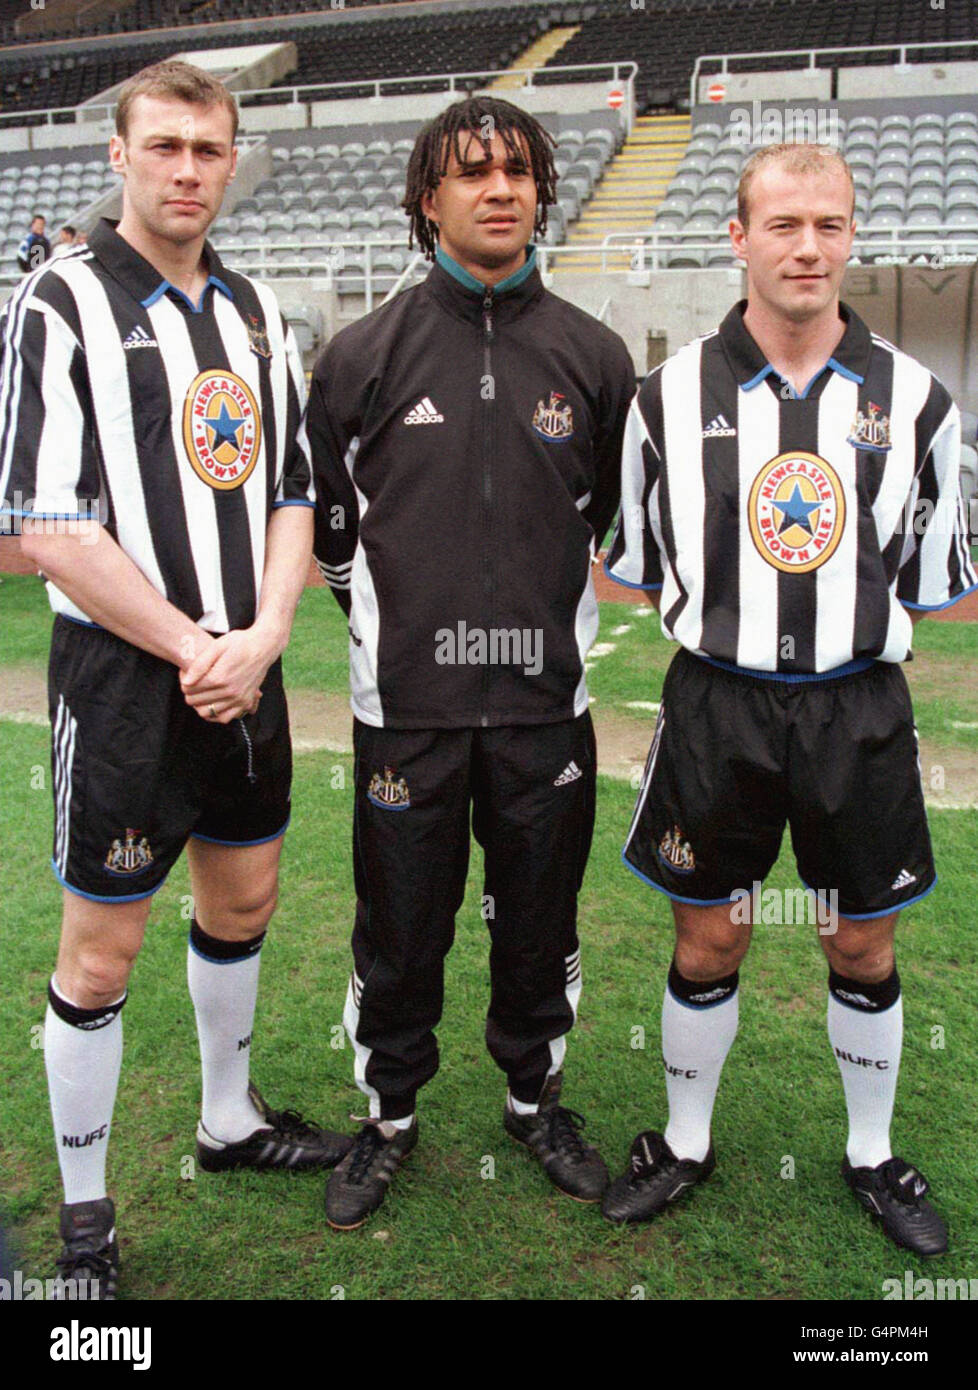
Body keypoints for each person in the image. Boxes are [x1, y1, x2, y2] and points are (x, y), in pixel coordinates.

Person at [0, 60, 350, 1300]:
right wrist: (195, 646)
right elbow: (45, 520)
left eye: (209, 149)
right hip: (127, 678)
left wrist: (257, 633)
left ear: (230, 160)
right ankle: (86, 1219)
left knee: (243, 900)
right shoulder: (60, 300)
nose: (188, 169)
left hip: (243, 662)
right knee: (101, 953)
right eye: (166, 146)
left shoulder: (254, 311)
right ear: (120, 155)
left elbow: (297, 490)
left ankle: (227, 1118)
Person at [602, 143, 977, 1254]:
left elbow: (933, 585)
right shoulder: (664, 398)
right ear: (739, 237)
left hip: (858, 710)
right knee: (709, 936)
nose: (807, 245)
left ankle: (870, 1153)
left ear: (853, 234)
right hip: (717, 704)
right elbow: (631, 559)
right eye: (783, 224)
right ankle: (684, 1140)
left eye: (829, 223)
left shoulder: (918, 402)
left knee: (861, 946)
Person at [307, 96, 635, 1230]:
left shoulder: (594, 356)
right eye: (473, 172)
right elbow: (336, 544)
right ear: (428, 197)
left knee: (539, 917)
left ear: (541, 187)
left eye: (518, 171)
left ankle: (533, 1098)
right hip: (407, 711)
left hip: (547, 711)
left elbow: (607, 529)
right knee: (401, 924)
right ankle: (389, 1113)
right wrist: (400, 642)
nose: (501, 189)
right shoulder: (359, 355)